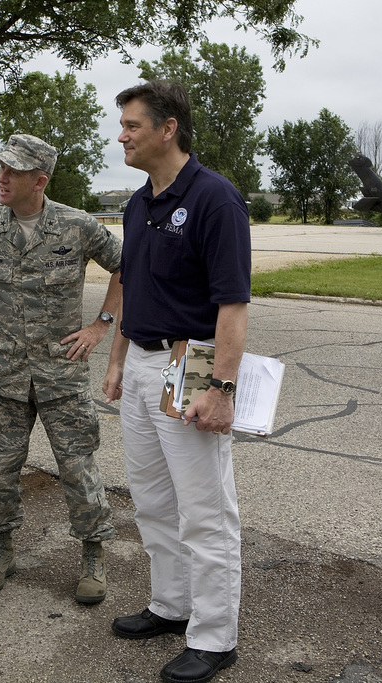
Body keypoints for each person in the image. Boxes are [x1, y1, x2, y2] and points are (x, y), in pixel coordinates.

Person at [102, 81, 251, 683]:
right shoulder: (139, 204)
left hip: (189, 367)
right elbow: (129, 289)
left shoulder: (216, 199)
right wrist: (115, 361)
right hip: (140, 363)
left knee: (204, 510)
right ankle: (172, 604)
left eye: (132, 125)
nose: (122, 136)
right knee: (154, 502)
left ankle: (215, 636)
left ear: (168, 129)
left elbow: (233, 306)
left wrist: (222, 388)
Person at [0, 134, 123, 604]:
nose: (1, 178)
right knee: (1, 468)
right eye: (0, 168)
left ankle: (92, 556)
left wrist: (101, 325)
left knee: (77, 466)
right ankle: (2, 552)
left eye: (12, 172)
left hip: (61, 372)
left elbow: (128, 265)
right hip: (4, 372)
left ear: (39, 180)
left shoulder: (77, 225)